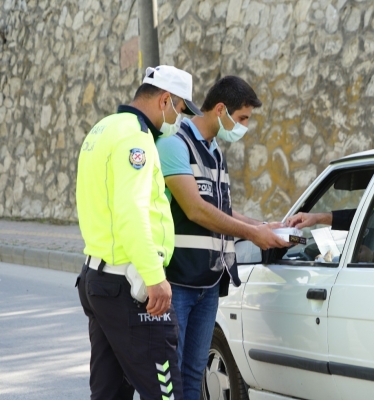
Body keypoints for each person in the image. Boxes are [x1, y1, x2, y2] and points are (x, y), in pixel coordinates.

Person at [155, 75, 289, 399]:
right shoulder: (175, 145)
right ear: (220, 110)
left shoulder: (215, 151)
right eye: (242, 118)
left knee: (193, 375)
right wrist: (251, 234)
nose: (243, 126)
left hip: (208, 284)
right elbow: (196, 210)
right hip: (177, 283)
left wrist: (263, 226)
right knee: (168, 378)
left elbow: (222, 210)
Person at [76, 65, 203, 400]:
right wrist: (153, 275)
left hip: (97, 278)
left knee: (108, 393)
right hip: (129, 286)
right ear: (165, 100)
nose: (181, 120)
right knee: (166, 394)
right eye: (181, 109)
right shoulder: (136, 138)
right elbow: (131, 211)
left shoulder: (103, 128)